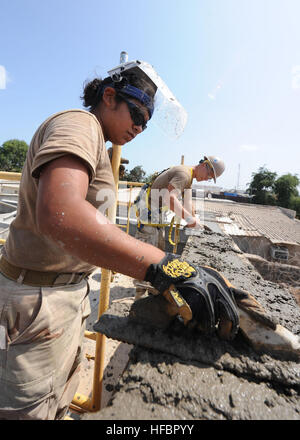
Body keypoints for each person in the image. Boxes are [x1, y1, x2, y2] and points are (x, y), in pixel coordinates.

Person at [0, 60, 239, 420]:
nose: (141, 128)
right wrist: (161, 265)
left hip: (64, 292)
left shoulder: (98, 140)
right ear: (109, 96)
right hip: (35, 301)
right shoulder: (79, 124)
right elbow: (59, 212)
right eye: (137, 114)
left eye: (146, 121)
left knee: (58, 401)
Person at [133, 156, 225, 298]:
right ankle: (139, 299)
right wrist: (191, 221)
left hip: (155, 217)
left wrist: (195, 219)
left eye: (210, 178)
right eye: (209, 175)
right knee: (146, 259)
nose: (207, 178)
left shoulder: (188, 178)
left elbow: (188, 203)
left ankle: (151, 291)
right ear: (204, 165)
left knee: (158, 255)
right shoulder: (184, 174)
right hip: (149, 217)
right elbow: (169, 198)